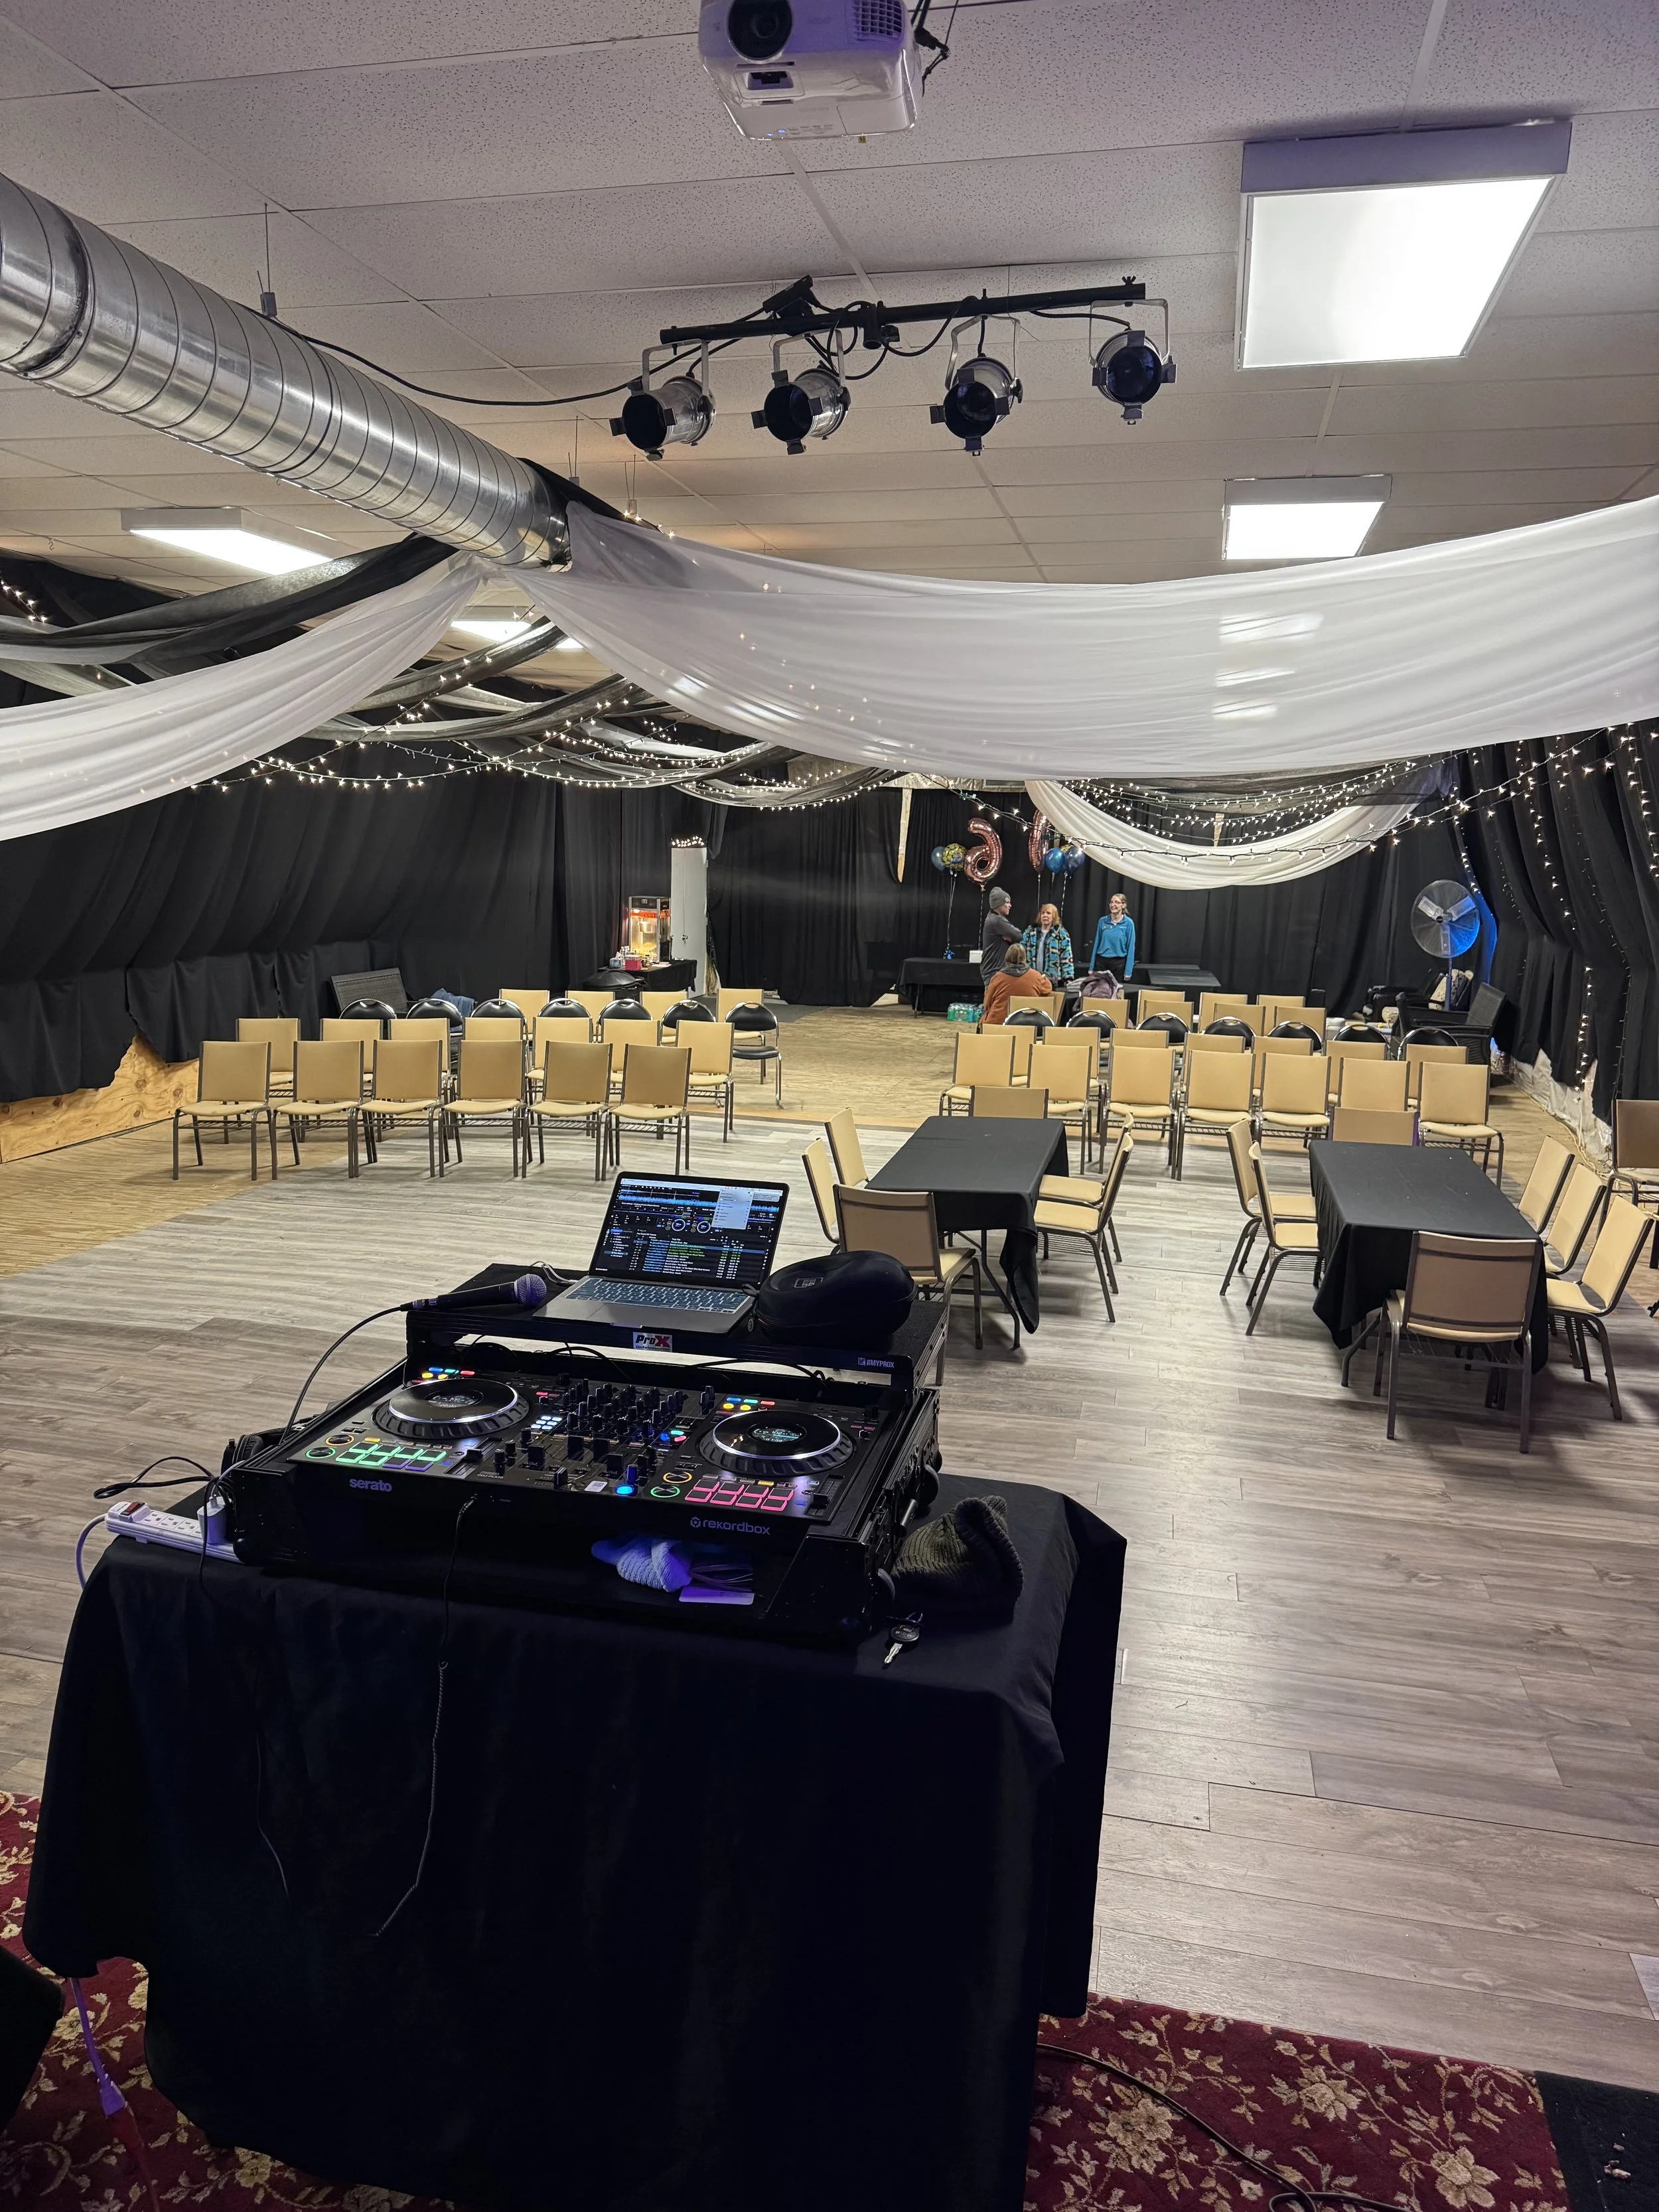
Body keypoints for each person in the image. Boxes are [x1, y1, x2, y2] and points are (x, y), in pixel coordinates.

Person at [981, 944, 1052, 1027]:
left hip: (997, 1025)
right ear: (1025, 958)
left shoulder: (997, 978)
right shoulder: (1036, 976)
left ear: (1006, 958)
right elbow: (1048, 988)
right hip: (1027, 1024)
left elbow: (987, 1004)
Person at [1022, 902, 1074, 985]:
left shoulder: (1061, 934)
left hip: (1052, 981)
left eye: (1049, 913)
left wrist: (1068, 979)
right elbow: (1022, 953)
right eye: (1043, 913)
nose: (1045, 915)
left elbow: (1067, 957)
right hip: (1032, 979)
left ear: (1054, 916)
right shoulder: (1030, 932)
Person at [1090, 891, 1136, 980]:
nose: (1113, 905)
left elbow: (1131, 948)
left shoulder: (1129, 923)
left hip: (1118, 965)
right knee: (1099, 992)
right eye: (1111, 902)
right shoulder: (1102, 921)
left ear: (1123, 905)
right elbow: (1096, 944)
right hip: (1101, 963)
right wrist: (1091, 967)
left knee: (1115, 993)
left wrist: (1128, 971)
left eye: (1117, 902)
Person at [979, 886, 1021, 982]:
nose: (1010, 905)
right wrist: (1013, 939)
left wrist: (1011, 939)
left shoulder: (992, 918)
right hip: (994, 971)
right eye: (1007, 902)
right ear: (999, 904)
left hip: (992, 971)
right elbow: (1018, 935)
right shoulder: (997, 921)